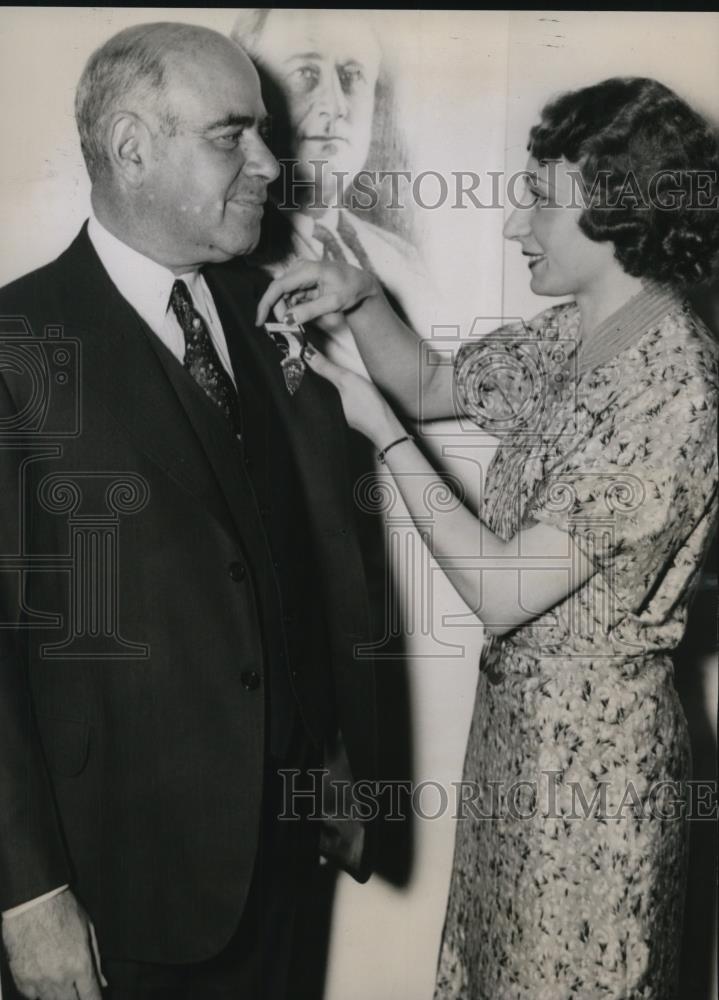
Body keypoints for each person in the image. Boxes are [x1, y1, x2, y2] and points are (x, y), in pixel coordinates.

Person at [256, 76, 719, 998]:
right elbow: (433, 383)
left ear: (619, 215)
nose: (515, 225)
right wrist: (356, 299)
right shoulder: (583, 330)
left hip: (594, 783)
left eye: (540, 202)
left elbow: (500, 589)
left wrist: (377, 430)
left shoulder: (674, 386)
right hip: (518, 744)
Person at [0, 22, 376, 1000]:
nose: (268, 162)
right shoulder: (17, 344)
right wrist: (27, 893)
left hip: (287, 868)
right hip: (118, 892)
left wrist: (333, 754)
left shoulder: (269, 319)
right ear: (131, 147)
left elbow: (300, 558)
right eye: (231, 135)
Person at [231, 7, 438, 374]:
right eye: (305, 74)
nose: (337, 106)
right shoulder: (233, 262)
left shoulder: (405, 259)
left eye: (352, 76)